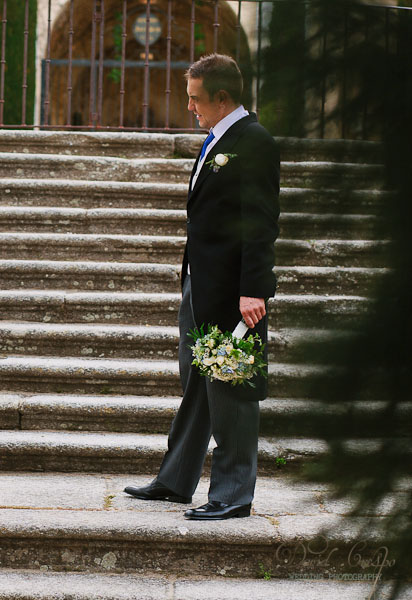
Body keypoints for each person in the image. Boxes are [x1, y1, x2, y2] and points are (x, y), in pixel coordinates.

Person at [124, 54, 280, 520]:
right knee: (196, 381)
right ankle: (176, 480)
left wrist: (254, 289)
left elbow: (260, 222)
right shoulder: (216, 138)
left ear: (222, 98)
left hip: (235, 293)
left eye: (195, 98)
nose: (189, 106)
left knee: (231, 384)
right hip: (200, 284)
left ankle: (233, 494)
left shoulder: (254, 141)